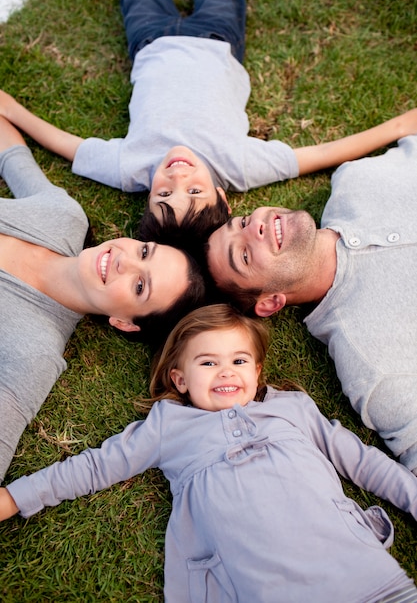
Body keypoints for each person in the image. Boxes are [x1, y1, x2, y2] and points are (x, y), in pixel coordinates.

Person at [1, 304, 417, 602]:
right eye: (207, 363)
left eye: (239, 359)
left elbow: (361, 461)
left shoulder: (292, 408)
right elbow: (94, 466)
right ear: (179, 379)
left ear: (256, 372)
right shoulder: (168, 427)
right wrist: (15, 497)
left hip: (360, 574)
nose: (226, 371)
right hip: (258, 585)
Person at [1, 0, 417, 252]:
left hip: (149, 41)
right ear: (222, 196)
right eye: (194, 192)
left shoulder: (130, 167)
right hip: (219, 39)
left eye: (162, 194)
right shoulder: (237, 166)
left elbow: (68, 148)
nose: (176, 178)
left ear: (146, 196)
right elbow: (322, 153)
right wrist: (399, 126)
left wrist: (14, 110)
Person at [0, 115, 205, 484]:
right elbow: (13, 158)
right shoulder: (64, 218)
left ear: (124, 323)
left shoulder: (35, 353)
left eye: (140, 287)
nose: (124, 261)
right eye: (144, 252)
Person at [206, 133, 417, 476]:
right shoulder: (372, 364)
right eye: (244, 254)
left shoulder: (357, 180)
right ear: (270, 303)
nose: (255, 226)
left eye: (242, 222)